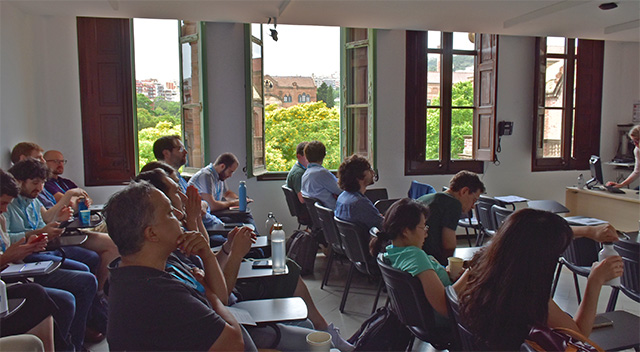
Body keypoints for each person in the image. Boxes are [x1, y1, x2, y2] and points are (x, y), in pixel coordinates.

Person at [136, 167, 354, 351]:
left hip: (231, 310)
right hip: (234, 312)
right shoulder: (166, 268)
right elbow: (220, 294)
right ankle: (326, 332)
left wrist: (225, 247)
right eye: (176, 193)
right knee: (289, 280)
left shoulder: (172, 251)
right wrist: (234, 255)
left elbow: (209, 269)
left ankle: (324, 330)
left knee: (299, 304)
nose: (184, 198)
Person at [458, 208, 623, 350]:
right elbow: (578, 335)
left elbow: (532, 235)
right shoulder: (527, 294)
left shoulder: (483, 268)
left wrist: (589, 231)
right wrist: (594, 282)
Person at [1, 168, 99, 351]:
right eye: (35, 182)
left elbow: (10, 245)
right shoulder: (11, 208)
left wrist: (35, 240)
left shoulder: (26, 205)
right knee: (74, 289)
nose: (4, 209)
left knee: (87, 267)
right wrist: (13, 253)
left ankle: (77, 338)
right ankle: (73, 343)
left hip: (20, 263)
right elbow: (8, 250)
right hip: (14, 272)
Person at [6, 158, 118, 292]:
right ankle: (94, 300)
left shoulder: (33, 201)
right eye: (35, 183)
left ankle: (95, 301)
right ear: (18, 181)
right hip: (27, 254)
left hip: (45, 247)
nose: (40, 188)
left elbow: (43, 225)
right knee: (84, 273)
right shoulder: (7, 205)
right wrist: (41, 232)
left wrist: (57, 223)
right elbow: (7, 238)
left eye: (42, 183)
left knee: (92, 258)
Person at [370, 198, 467, 327]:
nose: (426, 234)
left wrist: (445, 274)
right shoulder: (415, 256)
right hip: (448, 320)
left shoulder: (392, 252)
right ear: (406, 231)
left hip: (422, 319)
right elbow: (445, 306)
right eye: (423, 228)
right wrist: (468, 276)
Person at [416, 171, 485, 265]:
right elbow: (449, 246)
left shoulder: (426, 197)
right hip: (432, 261)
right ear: (464, 191)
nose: (473, 206)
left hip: (417, 256)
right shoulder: (453, 204)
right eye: (474, 200)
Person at [188, 153, 255, 228]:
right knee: (243, 220)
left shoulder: (219, 176)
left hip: (215, 213)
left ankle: (255, 238)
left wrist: (240, 200)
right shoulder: (206, 176)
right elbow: (212, 205)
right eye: (230, 172)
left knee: (246, 215)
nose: (230, 175)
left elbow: (227, 194)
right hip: (205, 217)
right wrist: (233, 203)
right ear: (222, 166)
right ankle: (255, 237)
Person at [335, 155, 383, 230]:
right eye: (369, 169)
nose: (372, 172)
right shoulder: (360, 203)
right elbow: (383, 226)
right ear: (359, 175)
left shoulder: (342, 197)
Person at [301, 141, 341, 209]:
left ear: (306, 157)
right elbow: (340, 190)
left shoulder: (305, 175)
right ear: (324, 155)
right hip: (333, 211)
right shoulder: (321, 173)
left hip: (321, 215)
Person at [607, 124, 639, 189]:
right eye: (633, 141)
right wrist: (621, 184)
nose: (635, 144)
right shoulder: (637, 150)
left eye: (637, 141)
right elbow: (637, 171)